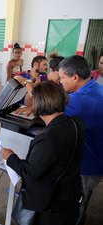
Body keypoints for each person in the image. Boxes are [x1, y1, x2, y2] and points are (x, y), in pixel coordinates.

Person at [2, 81, 84, 225]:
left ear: (40, 105)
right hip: (70, 193)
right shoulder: (74, 122)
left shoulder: (48, 138)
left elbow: (29, 172)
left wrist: (10, 156)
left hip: (52, 203)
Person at [58, 55, 103, 225]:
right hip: (98, 158)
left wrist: (31, 85)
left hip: (89, 164)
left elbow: (48, 111)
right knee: (83, 199)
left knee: (75, 204)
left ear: (75, 77)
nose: (61, 81)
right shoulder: (97, 88)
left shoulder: (79, 100)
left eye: (62, 77)